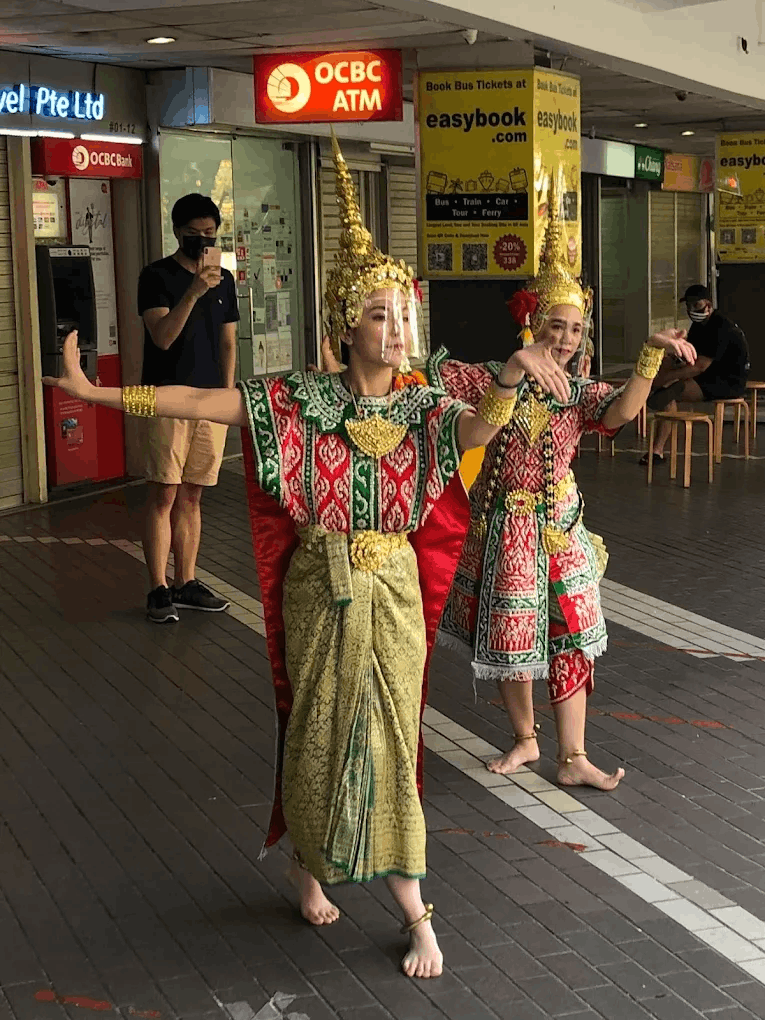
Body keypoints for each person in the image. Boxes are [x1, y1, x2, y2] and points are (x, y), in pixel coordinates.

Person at [43, 136, 572, 980]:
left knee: (393, 741)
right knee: (316, 730)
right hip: (318, 591)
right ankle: (306, 862)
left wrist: (508, 375)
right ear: (345, 324)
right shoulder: (298, 399)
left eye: (404, 314)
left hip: (394, 594)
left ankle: (413, 907)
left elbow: (480, 428)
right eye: (379, 315)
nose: (397, 330)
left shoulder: (428, 408)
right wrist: (96, 392)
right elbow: (199, 399)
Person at [317, 176, 695, 789]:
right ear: (532, 322)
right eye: (555, 326)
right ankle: (525, 740)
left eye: (575, 329)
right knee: (513, 637)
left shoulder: (576, 390)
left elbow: (621, 412)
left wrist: (650, 356)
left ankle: (573, 756)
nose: (565, 339)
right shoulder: (490, 376)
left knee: (572, 633)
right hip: (504, 527)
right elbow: (421, 374)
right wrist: (350, 359)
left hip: (561, 524)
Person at [138, 193, 239, 623]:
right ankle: (158, 588)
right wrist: (194, 291)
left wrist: (228, 397)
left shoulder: (225, 280)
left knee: (193, 494)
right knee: (164, 492)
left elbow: (229, 342)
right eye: (195, 233)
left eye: (210, 233)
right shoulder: (156, 276)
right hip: (167, 396)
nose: (203, 241)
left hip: (211, 401)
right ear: (177, 232)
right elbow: (162, 336)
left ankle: (186, 582)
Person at [641, 284, 749, 465]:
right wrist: (668, 360)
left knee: (670, 392)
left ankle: (656, 449)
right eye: (688, 305)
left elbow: (699, 367)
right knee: (667, 373)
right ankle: (656, 449)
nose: (692, 310)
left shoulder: (720, 326)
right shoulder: (698, 326)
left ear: (709, 305)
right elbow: (688, 358)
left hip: (728, 382)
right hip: (709, 376)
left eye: (696, 305)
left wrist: (663, 379)